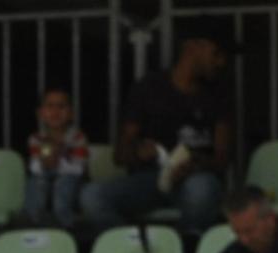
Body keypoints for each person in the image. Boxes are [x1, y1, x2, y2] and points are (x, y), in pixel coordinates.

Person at [79, 17, 233, 237]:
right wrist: (138, 152)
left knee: (202, 190)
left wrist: (195, 163)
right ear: (192, 47)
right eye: (216, 53)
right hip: (149, 180)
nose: (221, 62)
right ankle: (135, 248)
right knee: (91, 196)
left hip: (195, 180)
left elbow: (222, 159)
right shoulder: (149, 88)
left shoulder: (218, 94)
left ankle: (183, 250)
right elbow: (120, 155)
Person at [24, 86, 88, 229]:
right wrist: (48, 157)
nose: (55, 112)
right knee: (36, 182)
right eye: (50, 106)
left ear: (71, 113)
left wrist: (57, 159)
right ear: (41, 113)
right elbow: (36, 167)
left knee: (64, 182)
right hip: (46, 178)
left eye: (61, 106)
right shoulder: (36, 138)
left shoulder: (78, 137)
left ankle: (68, 226)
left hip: (71, 181)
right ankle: (34, 224)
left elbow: (78, 169)